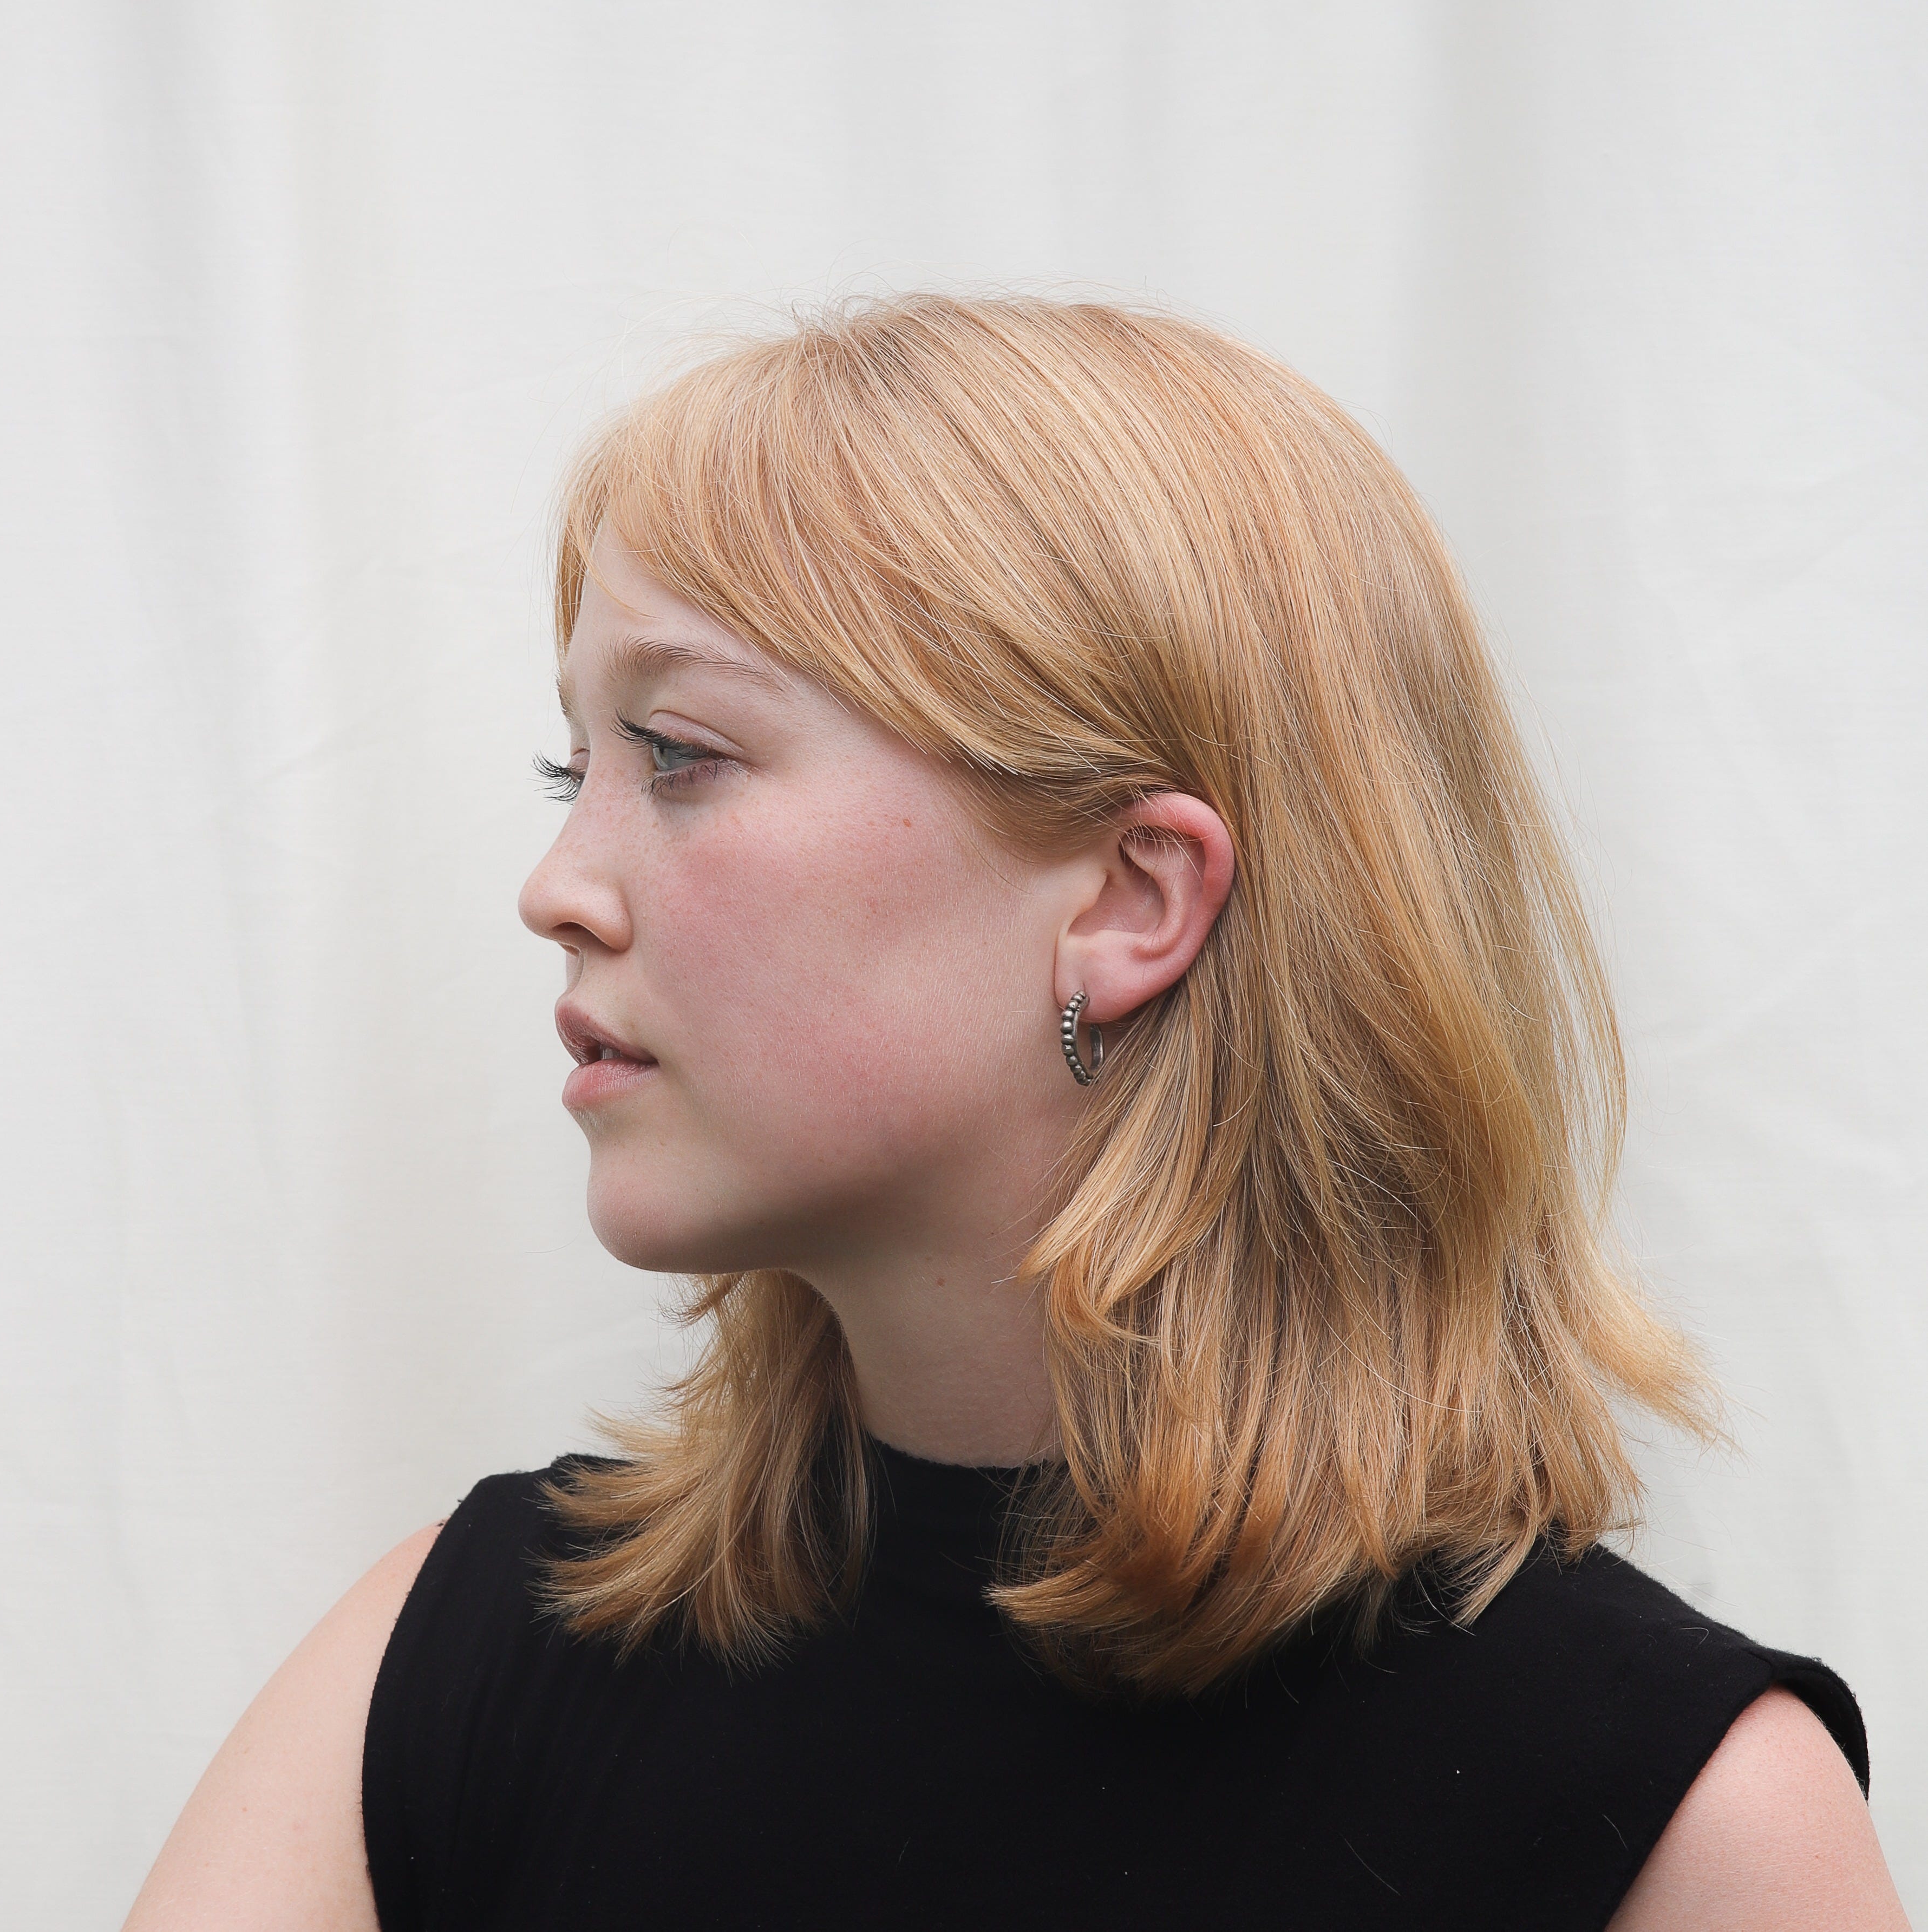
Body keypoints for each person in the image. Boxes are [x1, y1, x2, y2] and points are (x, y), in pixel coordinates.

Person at [123, 295, 1910, 1931]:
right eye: (568, 764)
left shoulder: (1677, 1825)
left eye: (679, 755)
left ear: (1133, 897)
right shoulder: (450, 1669)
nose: (555, 886)